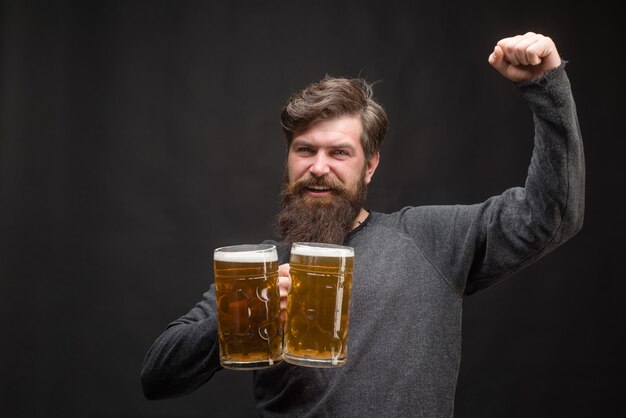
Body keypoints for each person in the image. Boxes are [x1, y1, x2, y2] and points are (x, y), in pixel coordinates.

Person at [140, 32, 584, 417]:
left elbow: (552, 216)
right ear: (288, 158)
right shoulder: (259, 271)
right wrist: (239, 317)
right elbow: (157, 377)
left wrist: (546, 88)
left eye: (339, 153)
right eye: (304, 150)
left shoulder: (430, 240)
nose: (318, 167)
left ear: (369, 165)